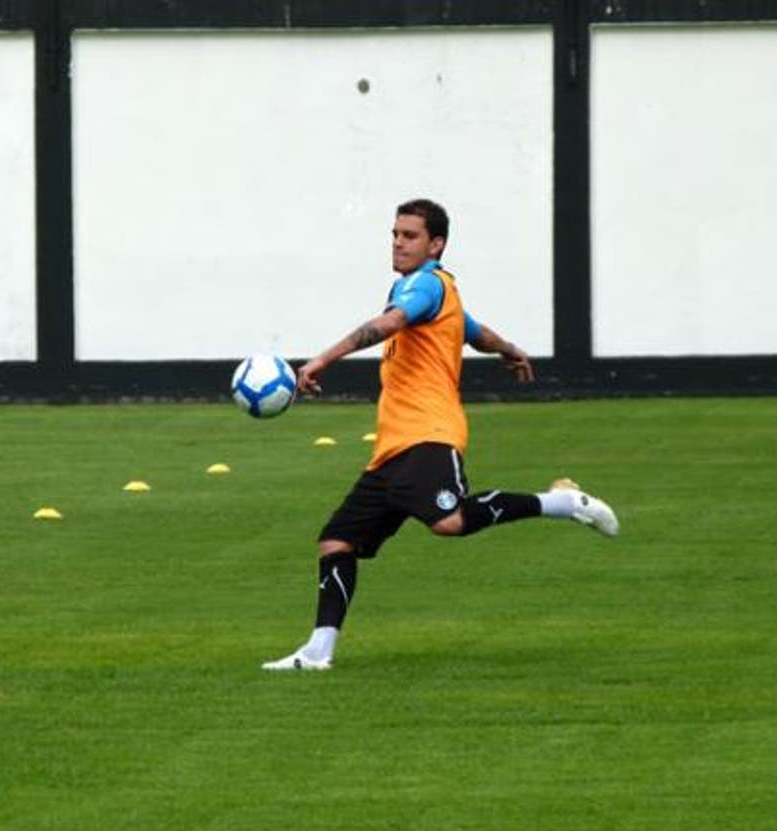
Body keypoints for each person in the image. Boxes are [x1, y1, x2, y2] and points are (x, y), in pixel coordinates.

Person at [262, 199, 618, 671]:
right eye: (394, 234)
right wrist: (509, 349)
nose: (398, 243)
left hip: (429, 434)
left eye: (409, 236)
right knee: (336, 542)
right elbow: (472, 330)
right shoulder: (424, 289)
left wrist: (322, 360)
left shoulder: (426, 287)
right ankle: (318, 652)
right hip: (391, 448)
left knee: (448, 522)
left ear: (436, 244)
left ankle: (564, 503)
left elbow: (385, 325)